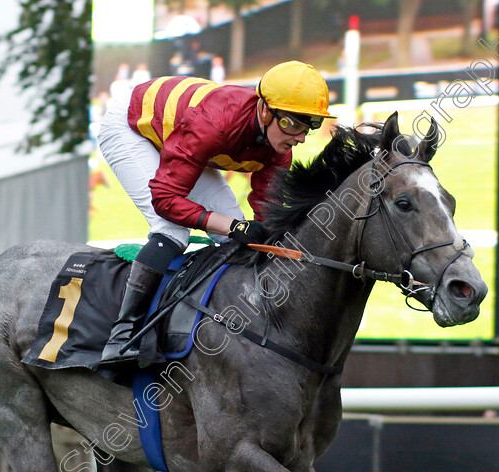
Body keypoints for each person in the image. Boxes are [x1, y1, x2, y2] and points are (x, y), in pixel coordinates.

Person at [96, 61, 336, 367]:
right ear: (264, 111)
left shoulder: (279, 148)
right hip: (133, 127)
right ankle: (121, 336)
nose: (300, 136)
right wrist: (233, 226)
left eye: (310, 125)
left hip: (183, 135)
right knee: (172, 231)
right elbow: (166, 199)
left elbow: (267, 214)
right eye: (292, 124)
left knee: (237, 238)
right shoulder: (216, 123)